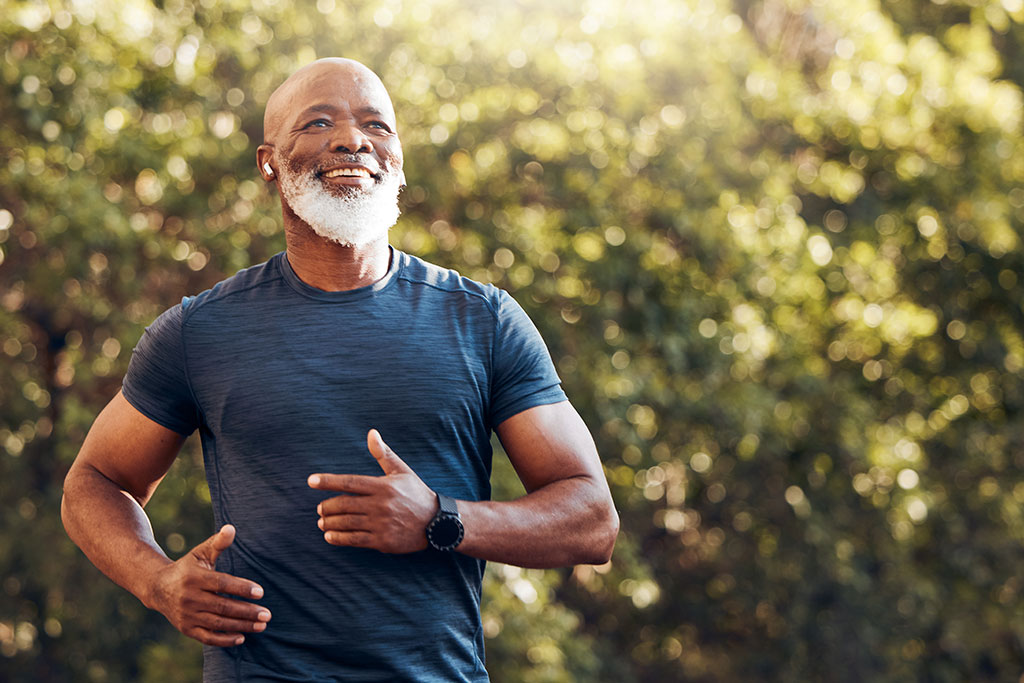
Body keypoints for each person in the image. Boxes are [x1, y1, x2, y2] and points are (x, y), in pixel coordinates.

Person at [61, 57, 618, 682]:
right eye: (318, 122)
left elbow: (592, 521)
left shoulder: (483, 321)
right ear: (269, 162)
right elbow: (96, 480)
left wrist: (440, 519)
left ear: (397, 157)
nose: (352, 139)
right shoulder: (200, 330)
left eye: (376, 125)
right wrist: (157, 581)